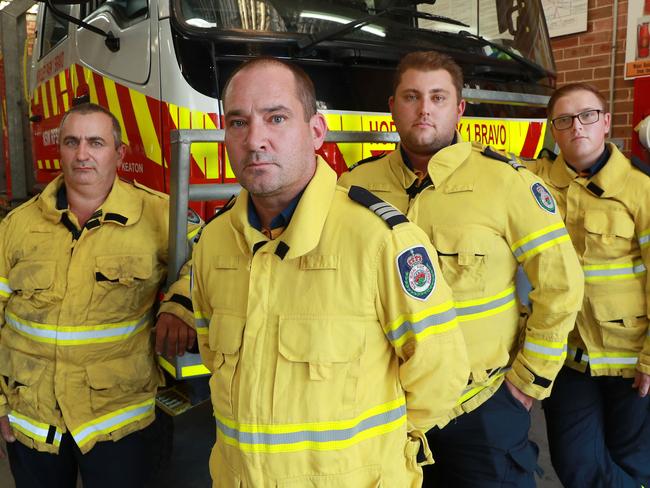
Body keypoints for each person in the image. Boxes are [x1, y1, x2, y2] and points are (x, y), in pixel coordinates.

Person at [190, 56, 471, 487]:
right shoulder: (213, 243)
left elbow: (440, 373)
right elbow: (213, 355)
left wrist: (371, 456)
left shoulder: (380, 239)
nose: (255, 140)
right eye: (239, 123)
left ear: (316, 132)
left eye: (276, 118)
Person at [338, 50, 584, 487]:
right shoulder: (353, 186)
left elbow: (561, 285)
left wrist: (526, 384)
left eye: (438, 97)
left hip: (481, 408)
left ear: (459, 109)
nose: (424, 108)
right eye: (411, 96)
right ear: (392, 106)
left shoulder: (507, 182)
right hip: (383, 409)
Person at [0, 103, 195, 488]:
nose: (82, 154)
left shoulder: (158, 214)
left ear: (119, 153)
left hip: (117, 419)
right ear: (60, 150)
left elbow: (211, 257)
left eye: (96, 142)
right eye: (72, 142)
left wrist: (181, 303)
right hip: (32, 417)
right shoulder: (18, 226)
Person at [526, 82, 650, 487]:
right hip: (569, 360)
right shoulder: (534, 182)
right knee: (576, 464)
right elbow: (485, 164)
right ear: (554, 130)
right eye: (564, 120)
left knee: (632, 463)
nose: (577, 126)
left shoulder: (640, 189)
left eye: (587, 116)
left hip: (632, 360)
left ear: (605, 123)